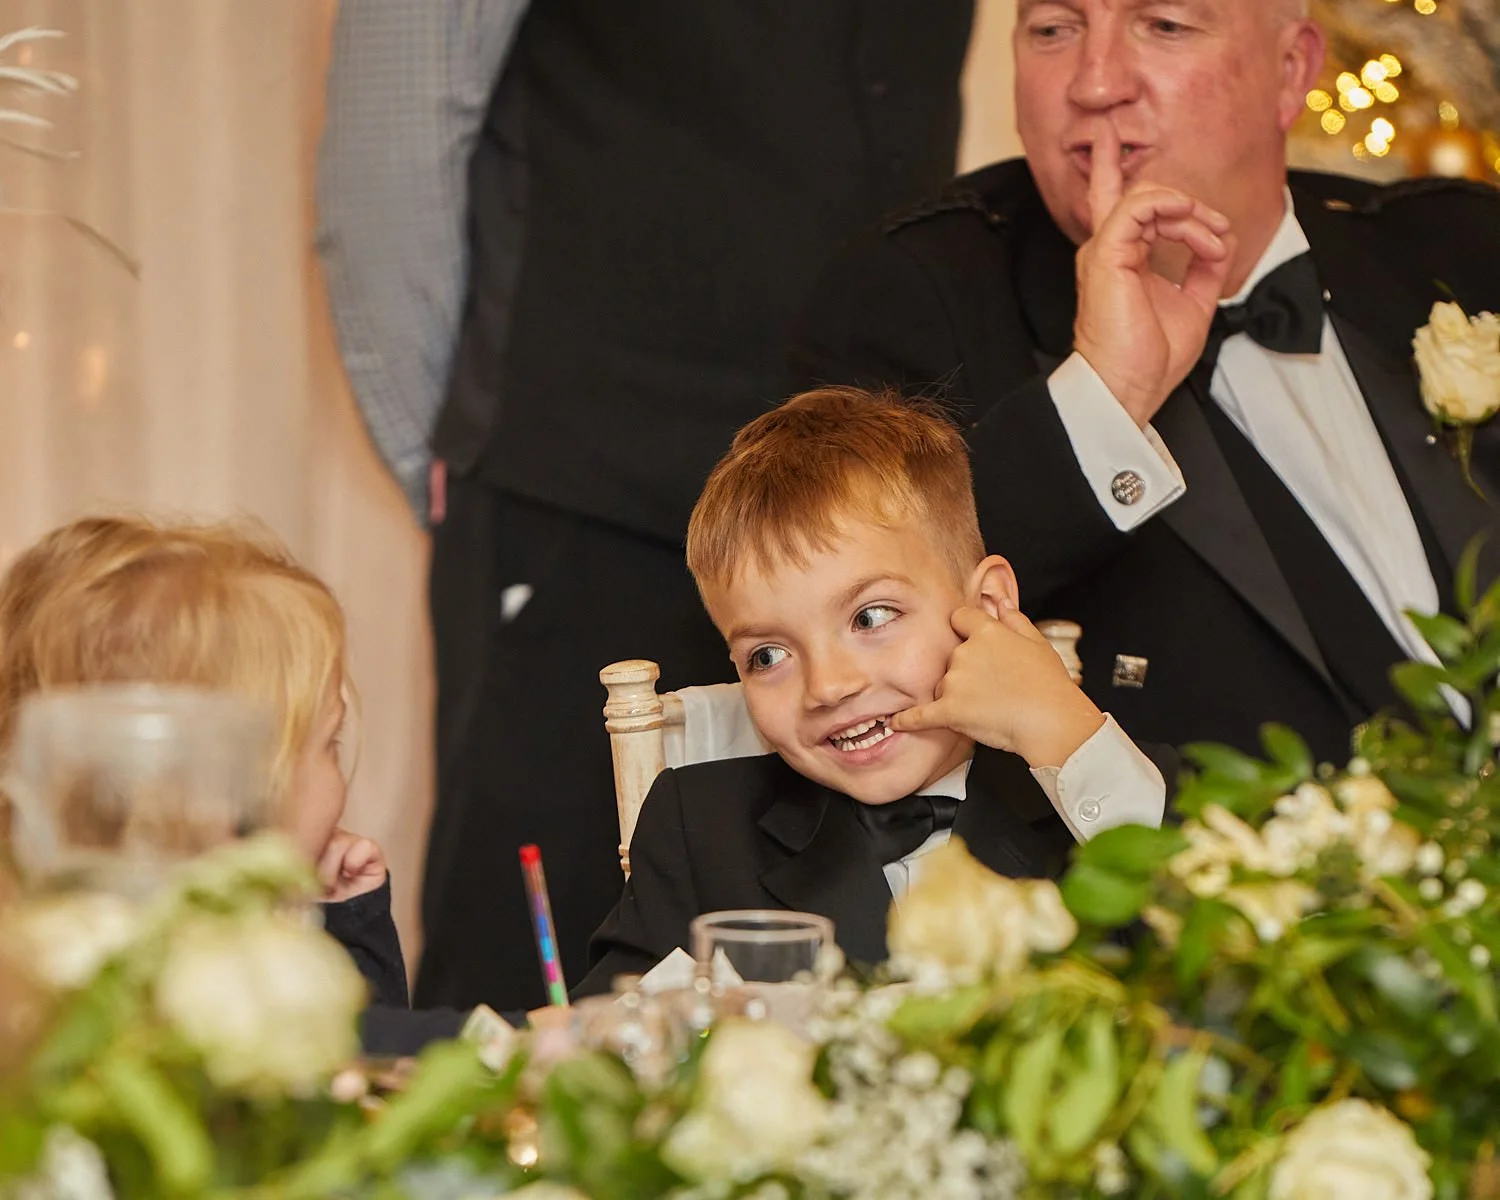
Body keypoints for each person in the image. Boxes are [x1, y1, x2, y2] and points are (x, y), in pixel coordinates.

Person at [317, 0, 981, 1010]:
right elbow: (393, 144)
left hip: (867, 509)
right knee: (526, 968)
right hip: (580, 485)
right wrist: (475, 446)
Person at [789, 0, 1500, 765]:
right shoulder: (916, 298)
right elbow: (843, 629)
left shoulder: (1460, 248)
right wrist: (1107, 393)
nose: (1095, 85)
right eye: (1054, 30)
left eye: (1163, 26)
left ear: (1290, 72)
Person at [578, 387, 1170, 994]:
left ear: (987, 606)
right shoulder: (703, 832)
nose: (829, 687)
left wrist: (1061, 732)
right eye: (768, 655)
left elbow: (1227, 974)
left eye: (870, 617)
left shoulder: (1121, 794)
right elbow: (596, 1055)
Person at [0, 516, 412, 1014]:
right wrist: (520, 1035)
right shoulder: (123, 965)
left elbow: (360, 1063)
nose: (338, 771)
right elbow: (352, 1052)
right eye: (330, 743)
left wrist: (348, 921)